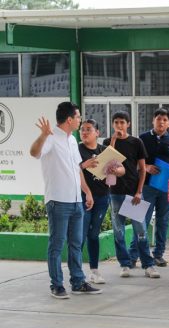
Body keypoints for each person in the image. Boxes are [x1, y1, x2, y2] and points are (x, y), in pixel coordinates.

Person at [30, 101, 102, 299]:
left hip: (76, 201)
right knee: (56, 244)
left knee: (76, 244)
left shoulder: (71, 140)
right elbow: (34, 153)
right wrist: (43, 135)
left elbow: (77, 168)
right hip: (58, 201)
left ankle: (78, 282)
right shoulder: (51, 137)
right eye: (78, 117)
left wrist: (86, 192)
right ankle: (57, 285)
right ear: (70, 119)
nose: (80, 120)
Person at [103, 111, 160, 279]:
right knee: (118, 231)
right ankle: (124, 264)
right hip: (115, 193)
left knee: (140, 230)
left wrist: (139, 191)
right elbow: (107, 164)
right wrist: (113, 141)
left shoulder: (136, 142)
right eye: (116, 122)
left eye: (122, 122)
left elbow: (142, 169)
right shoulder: (108, 142)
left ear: (128, 124)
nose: (119, 126)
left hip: (133, 193)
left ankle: (148, 265)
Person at [129, 107, 169, 268]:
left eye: (165, 120)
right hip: (146, 186)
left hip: (165, 188)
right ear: (153, 121)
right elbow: (131, 161)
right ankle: (133, 255)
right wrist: (146, 167)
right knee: (140, 220)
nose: (161, 122)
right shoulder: (141, 139)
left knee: (163, 222)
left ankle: (158, 254)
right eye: (158, 119)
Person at [79, 119, 124, 284]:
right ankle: (76, 273)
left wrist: (115, 170)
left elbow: (121, 169)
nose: (84, 132)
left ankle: (94, 271)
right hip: (82, 199)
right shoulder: (77, 150)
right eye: (82, 130)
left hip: (102, 197)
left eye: (88, 129)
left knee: (93, 234)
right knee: (80, 235)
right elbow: (72, 169)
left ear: (97, 133)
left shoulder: (104, 150)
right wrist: (84, 165)